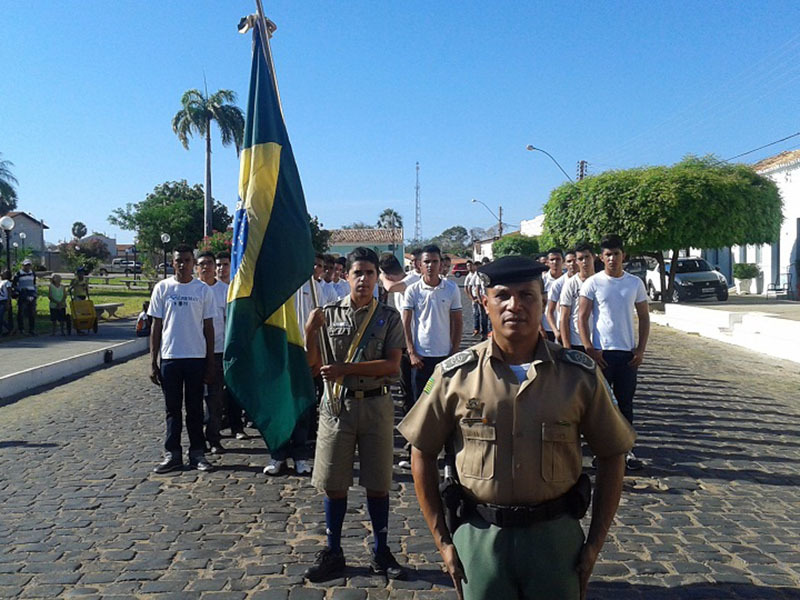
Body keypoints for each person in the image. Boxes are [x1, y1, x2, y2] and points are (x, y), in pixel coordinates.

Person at [398, 255, 636, 600]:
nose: (515, 305)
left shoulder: (578, 376)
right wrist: (443, 542)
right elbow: (421, 452)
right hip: (479, 538)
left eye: (527, 295)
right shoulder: (455, 376)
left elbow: (613, 454)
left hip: (555, 541)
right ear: (485, 302)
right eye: (503, 296)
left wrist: (595, 543)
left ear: (543, 303)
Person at [303, 247, 407, 583]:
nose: (363, 279)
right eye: (357, 273)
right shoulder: (328, 314)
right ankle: (333, 550)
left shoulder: (388, 318)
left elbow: (392, 364)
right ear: (346, 276)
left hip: (376, 406)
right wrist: (309, 331)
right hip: (338, 406)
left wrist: (347, 367)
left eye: (370, 273)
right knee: (334, 484)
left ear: (378, 278)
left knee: (378, 484)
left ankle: (381, 549)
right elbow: (314, 365)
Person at [578, 235, 650, 471]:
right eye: (607, 254)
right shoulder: (593, 283)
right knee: (602, 406)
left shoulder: (634, 283)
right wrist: (589, 347)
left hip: (627, 354)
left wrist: (640, 349)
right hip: (603, 354)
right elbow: (582, 317)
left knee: (626, 404)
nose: (612, 258)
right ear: (601, 257)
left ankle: (627, 449)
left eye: (616, 254)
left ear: (623, 256)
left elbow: (644, 317)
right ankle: (602, 450)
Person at [148, 245, 216, 474]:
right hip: (170, 358)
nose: (182, 264)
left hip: (196, 358)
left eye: (187, 260)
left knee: (195, 409)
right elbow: (156, 326)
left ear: (193, 263)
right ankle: (172, 454)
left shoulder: (203, 291)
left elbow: (208, 328)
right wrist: (153, 361)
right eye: (179, 260)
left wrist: (210, 361)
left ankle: (198, 453)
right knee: (172, 410)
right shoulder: (163, 288)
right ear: (172, 263)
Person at [402, 244, 463, 401]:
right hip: (421, 358)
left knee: (443, 401)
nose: (431, 266)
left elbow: (458, 322)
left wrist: (454, 351)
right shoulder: (413, 290)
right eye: (427, 262)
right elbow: (406, 323)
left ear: (440, 264)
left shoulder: (451, 289)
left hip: (445, 356)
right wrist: (412, 353)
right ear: (420, 265)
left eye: (435, 261)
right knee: (422, 401)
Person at [196, 251, 227, 455]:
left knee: (215, 399)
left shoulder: (225, 290)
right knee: (194, 399)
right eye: (202, 264)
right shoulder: (193, 289)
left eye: (209, 263)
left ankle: (214, 437)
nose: (206, 267)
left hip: (217, 351)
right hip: (193, 351)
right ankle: (197, 440)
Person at [559, 243, 596, 353]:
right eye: (580, 258)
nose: (584, 261)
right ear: (576, 261)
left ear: (593, 257)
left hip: (599, 342)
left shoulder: (601, 281)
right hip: (577, 342)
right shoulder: (571, 284)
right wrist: (567, 347)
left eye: (587, 257)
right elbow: (564, 317)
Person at [546, 249, 577, 344]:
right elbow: (549, 311)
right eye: (569, 261)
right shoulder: (558, 284)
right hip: (562, 332)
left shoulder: (588, 282)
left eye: (575, 261)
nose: (572, 264)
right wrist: (556, 331)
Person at [541, 249, 564, 341]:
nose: (555, 262)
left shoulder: (568, 280)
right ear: (547, 262)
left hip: (564, 327)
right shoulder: (542, 281)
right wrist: (540, 328)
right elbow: (537, 306)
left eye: (558, 259)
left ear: (563, 261)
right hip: (547, 328)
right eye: (552, 259)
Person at [464, 260, 488, 339]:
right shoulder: (476, 275)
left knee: (487, 316)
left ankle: (487, 331)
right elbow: (469, 287)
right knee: (478, 315)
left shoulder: (484, 274)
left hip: (486, 298)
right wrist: (473, 298)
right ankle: (479, 330)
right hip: (479, 298)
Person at [13, 259, 37, 335]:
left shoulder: (32, 273)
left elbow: (34, 283)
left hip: (31, 294)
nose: (27, 267)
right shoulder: (19, 273)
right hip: (23, 294)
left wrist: (34, 293)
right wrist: (19, 291)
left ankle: (31, 329)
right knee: (21, 312)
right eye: (26, 265)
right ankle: (21, 329)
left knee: (32, 313)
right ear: (22, 265)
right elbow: (14, 284)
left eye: (29, 265)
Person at [0, 269, 12, 336]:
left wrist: (8, 302)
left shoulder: (7, 282)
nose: (2, 273)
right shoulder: (0, 281)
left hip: (3, 301)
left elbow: (9, 292)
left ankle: (4, 330)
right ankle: (9, 329)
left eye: (4, 272)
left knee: (0, 316)